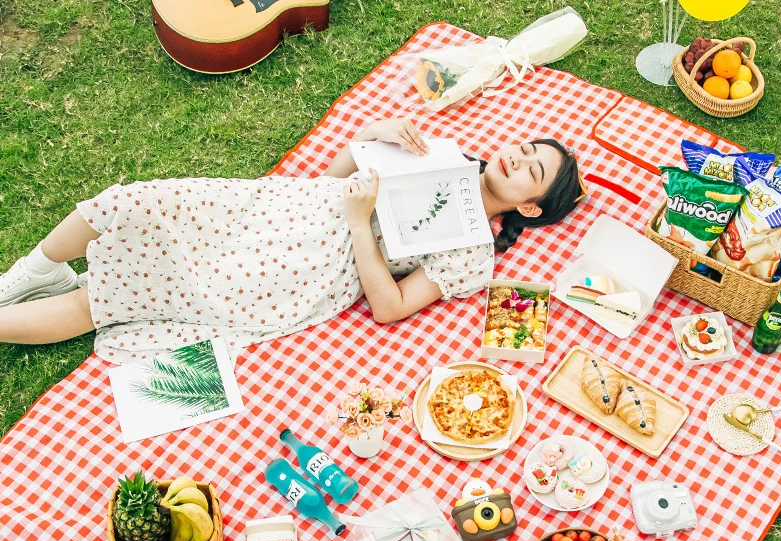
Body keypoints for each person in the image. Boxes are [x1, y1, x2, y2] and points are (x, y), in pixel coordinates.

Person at [0, 118, 584, 362]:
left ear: (529, 207)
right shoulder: (439, 154)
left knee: (117, 298)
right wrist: (368, 138)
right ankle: (30, 273)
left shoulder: (473, 255)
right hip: (281, 205)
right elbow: (329, 181)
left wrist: (361, 222)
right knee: (132, 202)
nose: (518, 157)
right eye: (528, 148)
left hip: (305, 268)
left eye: (532, 171)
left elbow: (390, 307)